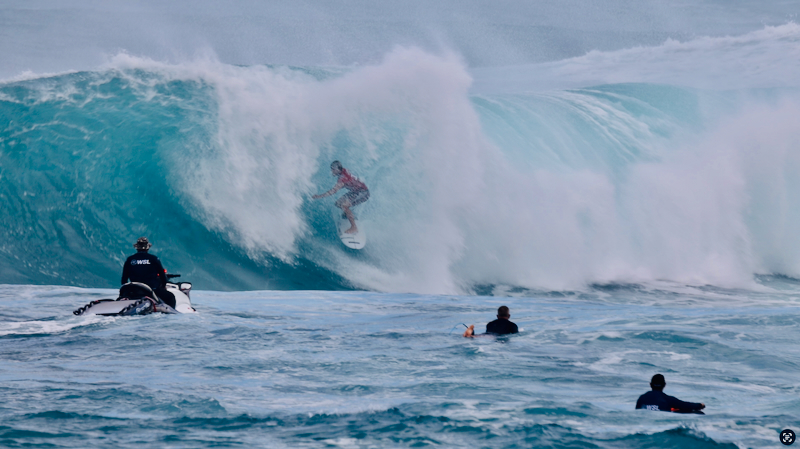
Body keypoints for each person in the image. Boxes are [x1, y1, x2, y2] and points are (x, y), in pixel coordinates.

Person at [312, 161, 369, 234]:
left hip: (363, 193)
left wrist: (319, 196)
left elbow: (333, 191)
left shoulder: (342, 179)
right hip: (355, 191)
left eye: (333, 169)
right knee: (338, 203)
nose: (332, 171)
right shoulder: (345, 170)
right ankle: (347, 214)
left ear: (337, 169)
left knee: (344, 205)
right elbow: (355, 176)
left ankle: (354, 227)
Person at [121, 237, 176, 308]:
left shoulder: (130, 259)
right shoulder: (154, 259)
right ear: (147, 248)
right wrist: (163, 286)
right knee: (171, 297)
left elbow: (124, 280)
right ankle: (169, 315)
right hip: (151, 291)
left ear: (137, 247)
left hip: (134, 290)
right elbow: (163, 277)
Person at [635, 374, 705, 414]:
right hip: (661, 422)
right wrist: (700, 405)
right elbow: (685, 405)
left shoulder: (641, 398)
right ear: (664, 385)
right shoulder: (668, 399)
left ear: (650, 384)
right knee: (695, 412)